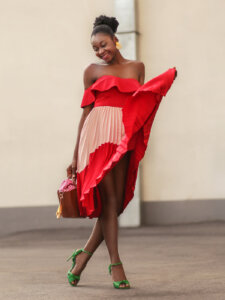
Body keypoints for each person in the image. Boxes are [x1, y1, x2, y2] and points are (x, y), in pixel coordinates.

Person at [64, 15, 177, 289]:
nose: (100, 52)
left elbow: (140, 103)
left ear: (115, 40)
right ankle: (116, 263)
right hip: (97, 137)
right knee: (110, 200)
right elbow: (86, 115)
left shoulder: (137, 67)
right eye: (95, 49)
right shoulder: (91, 71)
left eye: (103, 45)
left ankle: (83, 257)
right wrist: (76, 155)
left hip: (123, 138)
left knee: (114, 205)